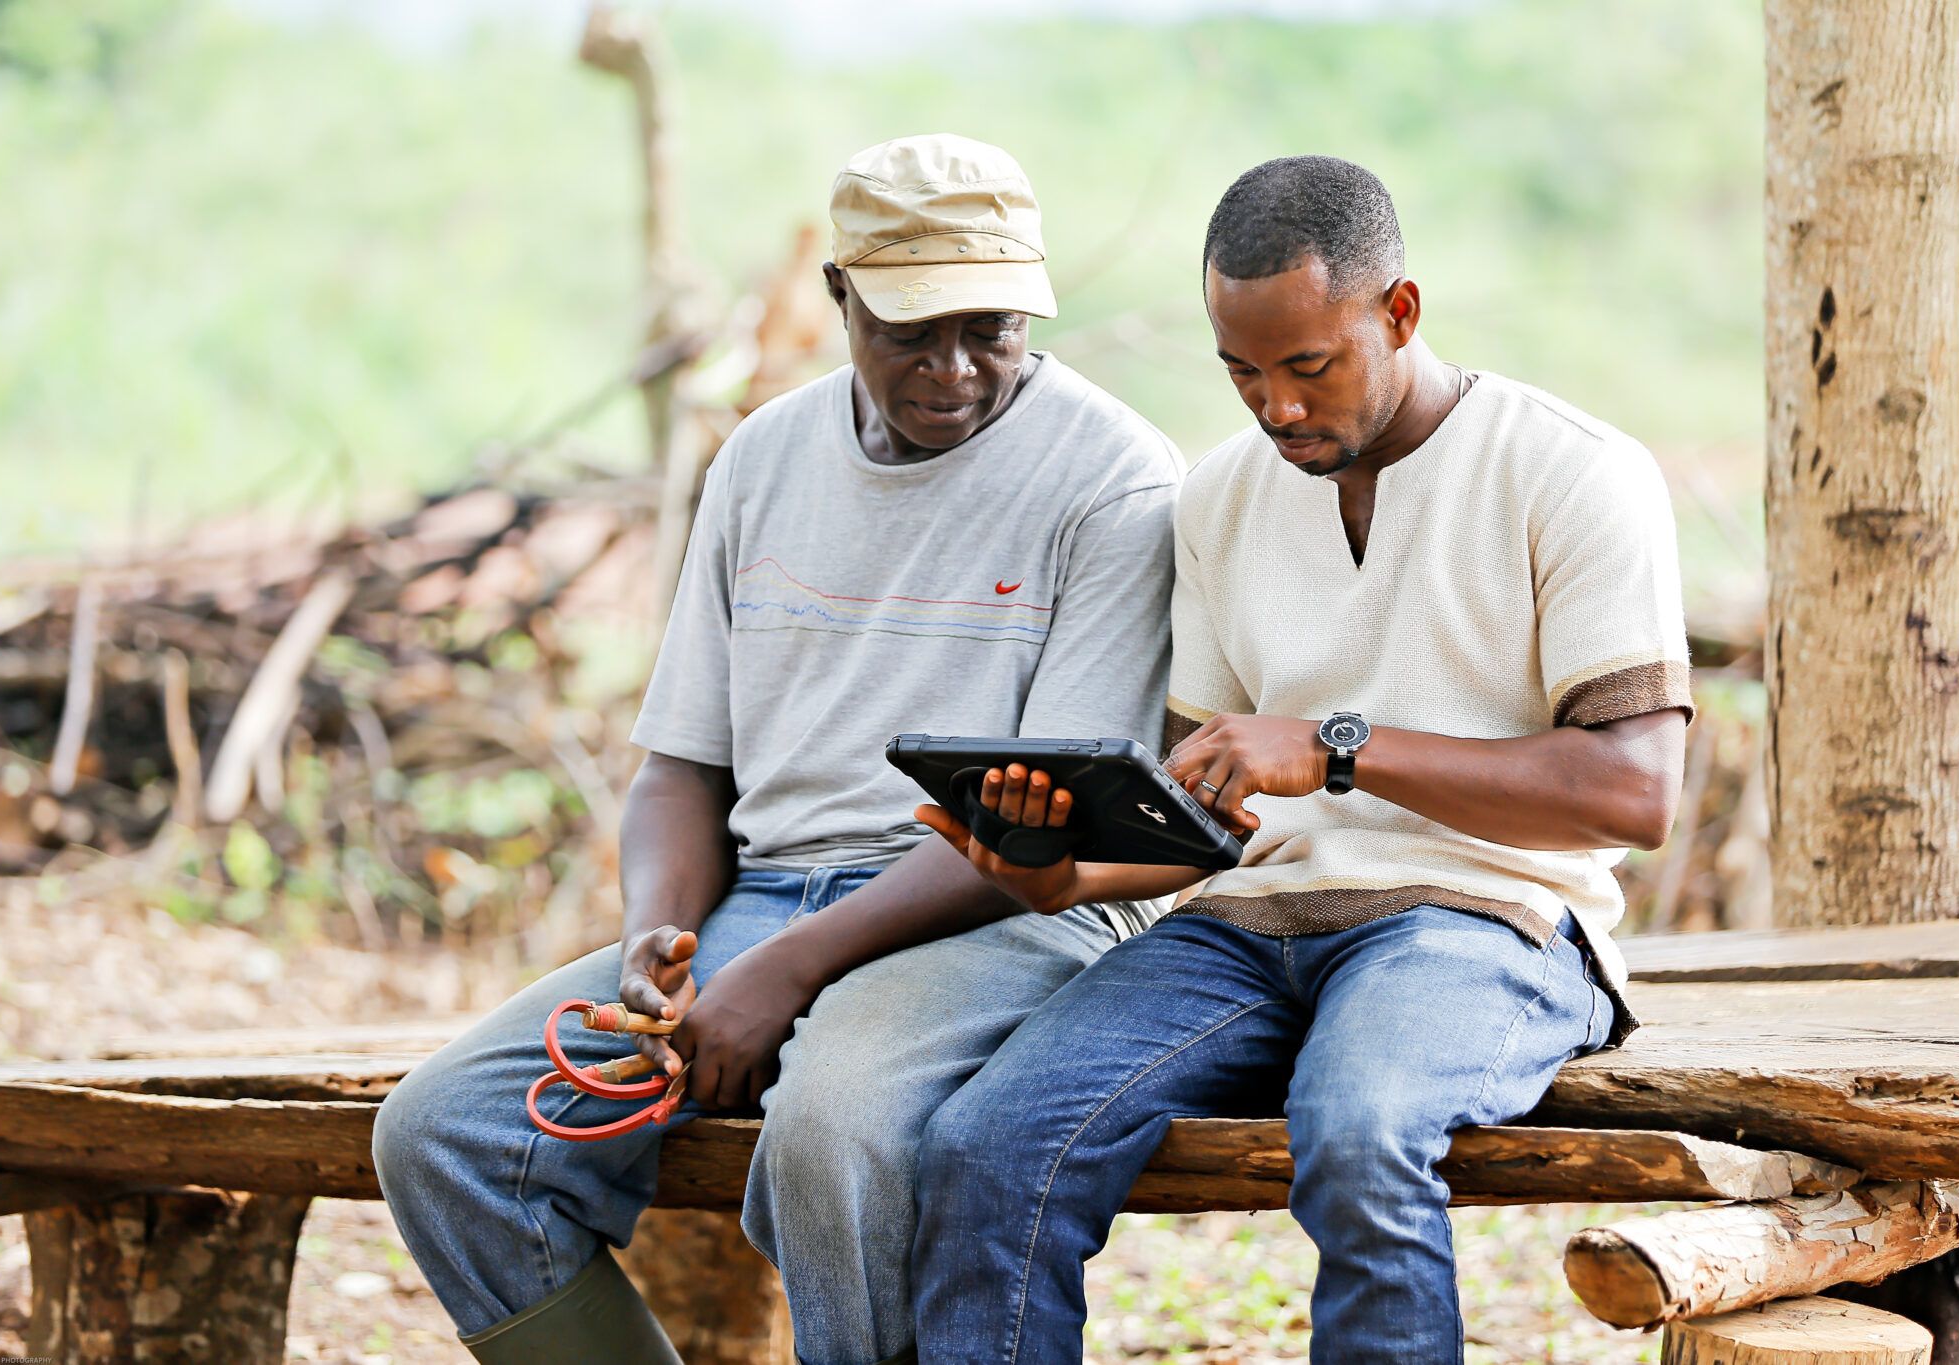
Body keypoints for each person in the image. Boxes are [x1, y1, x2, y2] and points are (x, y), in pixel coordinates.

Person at [371, 133, 1183, 1365]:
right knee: (445, 1135)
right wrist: (660, 939)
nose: (954, 369)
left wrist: (787, 971)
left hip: (1003, 909)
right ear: (836, 295)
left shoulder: (1113, 480)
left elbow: (1047, 825)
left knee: (834, 1132)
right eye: (912, 331)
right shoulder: (762, 458)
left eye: (991, 330)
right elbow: (681, 767)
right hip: (760, 904)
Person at [909, 155, 1692, 1364]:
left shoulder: (1569, 469)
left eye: (1308, 366)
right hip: (1241, 930)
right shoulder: (1219, 498)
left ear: (1399, 312)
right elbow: (1203, 819)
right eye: (1240, 371)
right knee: (985, 1146)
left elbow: (1631, 794)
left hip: (1484, 921)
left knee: (1361, 1129)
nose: (1273, 407)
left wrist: (1336, 749)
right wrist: (1060, 875)